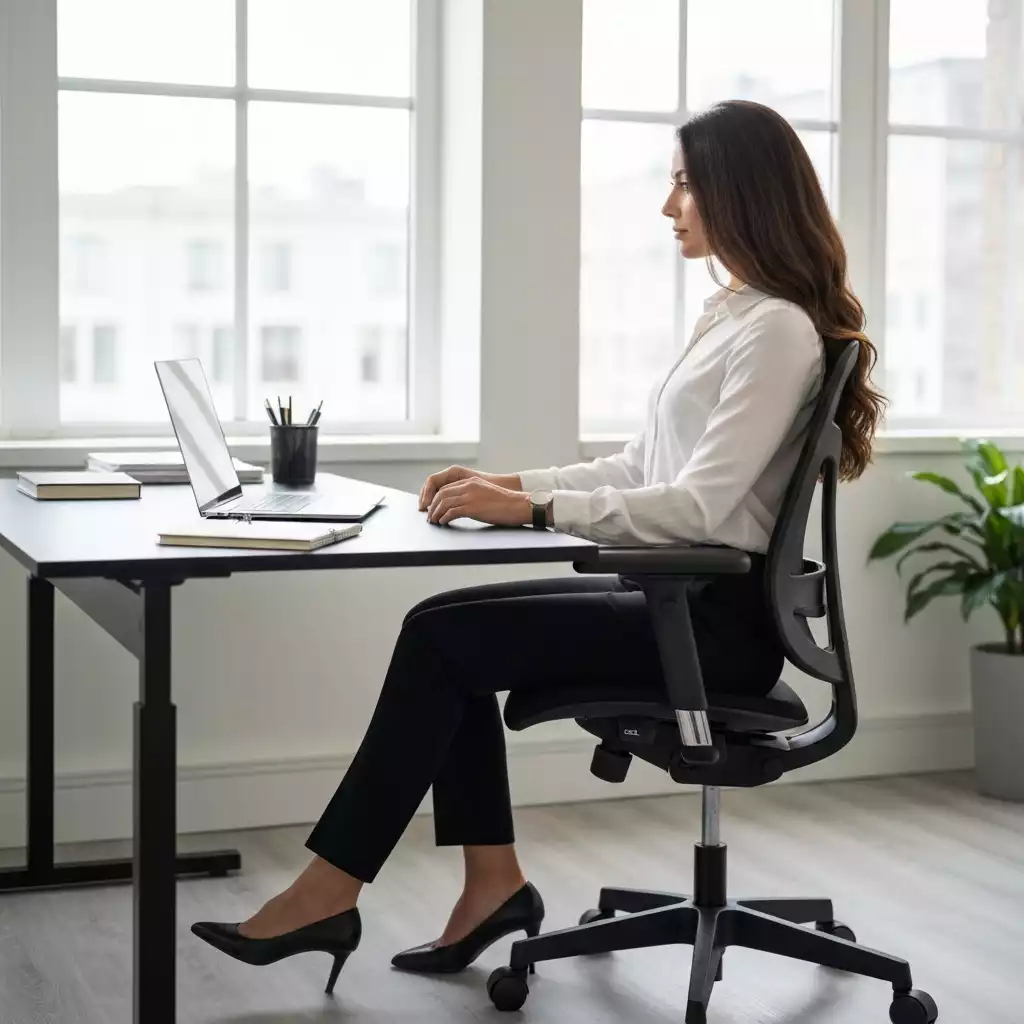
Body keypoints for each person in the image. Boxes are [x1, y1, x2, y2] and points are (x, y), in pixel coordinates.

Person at [191, 99, 885, 992]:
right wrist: (510, 486)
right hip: (676, 602)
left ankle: (333, 889)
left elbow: (703, 508)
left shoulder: (778, 329)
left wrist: (532, 513)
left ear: (737, 191)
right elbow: (642, 465)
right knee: (442, 625)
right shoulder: (736, 316)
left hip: (713, 627)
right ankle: (493, 885)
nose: (669, 205)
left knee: (446, 641)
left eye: (683, 184)